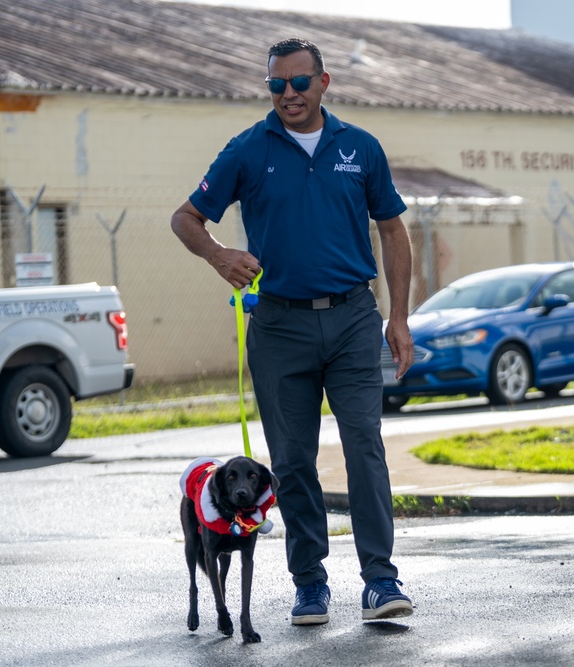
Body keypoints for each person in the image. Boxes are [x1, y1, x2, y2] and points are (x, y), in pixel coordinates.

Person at [170, 37, 415, 625]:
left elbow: (393, 231)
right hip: (279, 326)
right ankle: (310, 584)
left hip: (355, 317)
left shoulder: (360, 147)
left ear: (323, 83)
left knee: (364, 447)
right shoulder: (249, 150)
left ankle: (381, 581)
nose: (288, 95)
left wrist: (398, 316)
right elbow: (186, 218)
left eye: (299, 83)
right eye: (276, 85)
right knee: (294, 461)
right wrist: (220, 255)